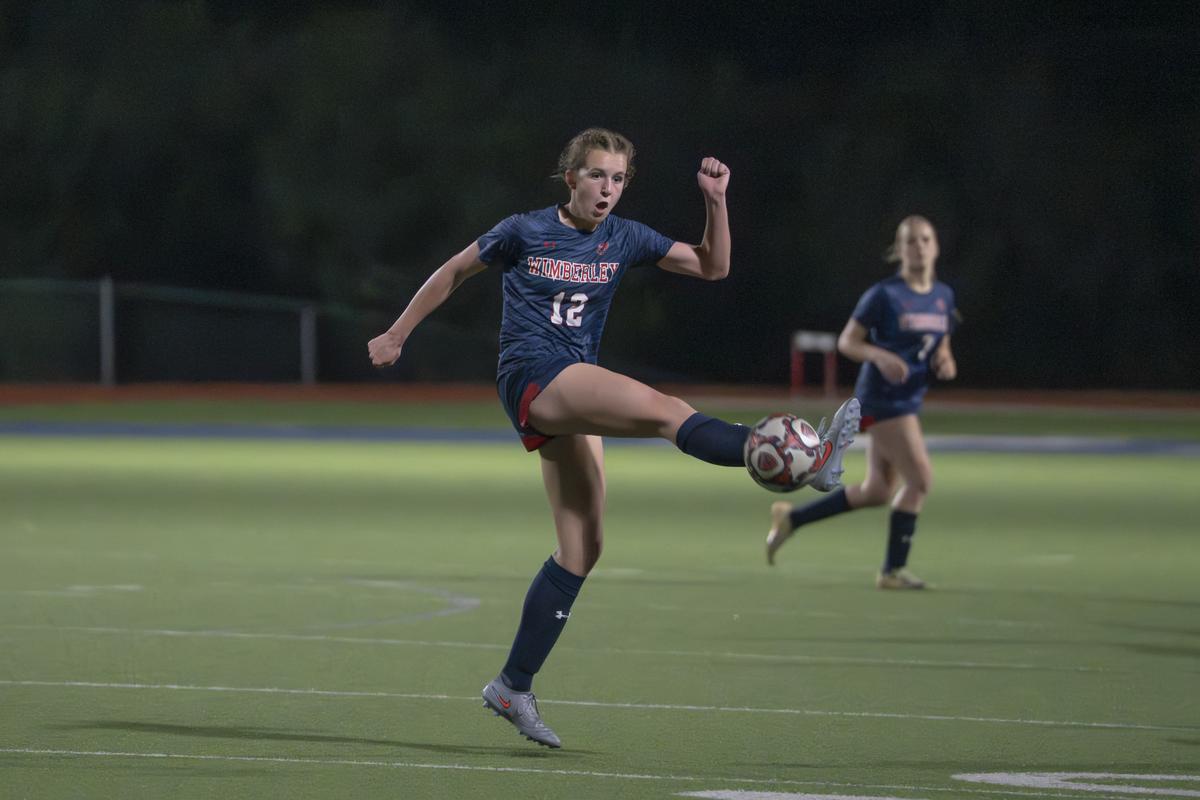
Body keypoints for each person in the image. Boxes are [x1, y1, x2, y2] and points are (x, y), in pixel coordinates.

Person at [368, 127, 860, 748]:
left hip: (572, 385)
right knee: (664, 410)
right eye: (597, 175)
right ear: (569, 177)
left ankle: (512, 686)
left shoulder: (624, 237)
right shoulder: (522, 230)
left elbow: (715, 266)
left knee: (583, 547)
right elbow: (454, 272)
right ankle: (805, 462)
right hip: (533, 375)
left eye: (619, 179)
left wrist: (716, 199)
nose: (608, 189)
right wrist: (397, 333)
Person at [765, 215, 957, 590]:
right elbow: (847, 342)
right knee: (920, 480)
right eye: (911, 241)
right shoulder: (883, 295)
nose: (919, 247)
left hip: (908, 400)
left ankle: (792, 519)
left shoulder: (943, 296)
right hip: (881, 401)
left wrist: (946, 359)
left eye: (925, 240)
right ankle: (892, 571)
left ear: (935, 246)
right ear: (898, 249)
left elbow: (942, 339)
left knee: (878, 491)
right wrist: (879, 356)